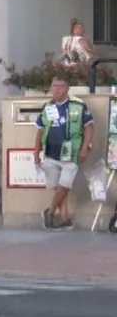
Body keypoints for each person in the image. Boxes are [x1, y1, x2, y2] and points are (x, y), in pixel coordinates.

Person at [34, 76, 95, 230]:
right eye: (54, 86)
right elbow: (40, 131)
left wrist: (84, 149)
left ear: (67, 88)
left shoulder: (78, 105)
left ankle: (49, 212)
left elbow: (89, 127)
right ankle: (64, 219)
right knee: (58, 188)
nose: (56, 89)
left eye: (60, 86)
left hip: (71, 153)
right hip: (50, 153)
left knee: (64, 185)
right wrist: (36, 153)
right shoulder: (47, 107)